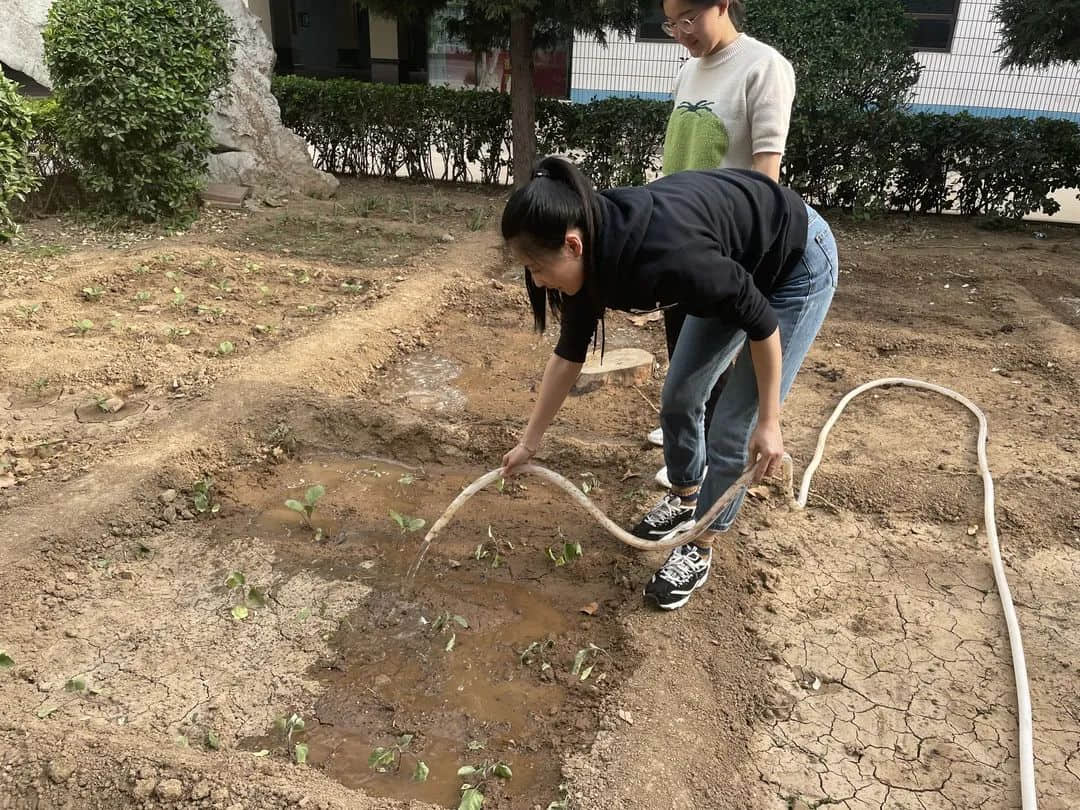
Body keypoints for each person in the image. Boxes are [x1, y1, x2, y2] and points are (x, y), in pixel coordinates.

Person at [499, 156, 837, 611]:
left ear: (573, 245)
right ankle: (684, 496)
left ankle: (699, 544)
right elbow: (567, 359)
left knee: (732, 430)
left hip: (795, 263)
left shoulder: (669, 256)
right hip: (734, 261)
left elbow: (761, 323)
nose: (538, 282)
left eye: (538, 269)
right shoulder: (590, 257)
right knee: (680, 395)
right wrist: (529, 444)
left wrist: (771, 420)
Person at [650, 0, 796, 493]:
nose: (680, 33)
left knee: (716, 359)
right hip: (678, 242)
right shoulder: (689, 72)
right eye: (671, 24)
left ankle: (713, 458)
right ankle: (688, 443)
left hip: (727, 247)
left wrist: (745, 255)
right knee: (682, 355)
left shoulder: (763, 67)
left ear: (722, 5)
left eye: (688, 19)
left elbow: (766, 176)